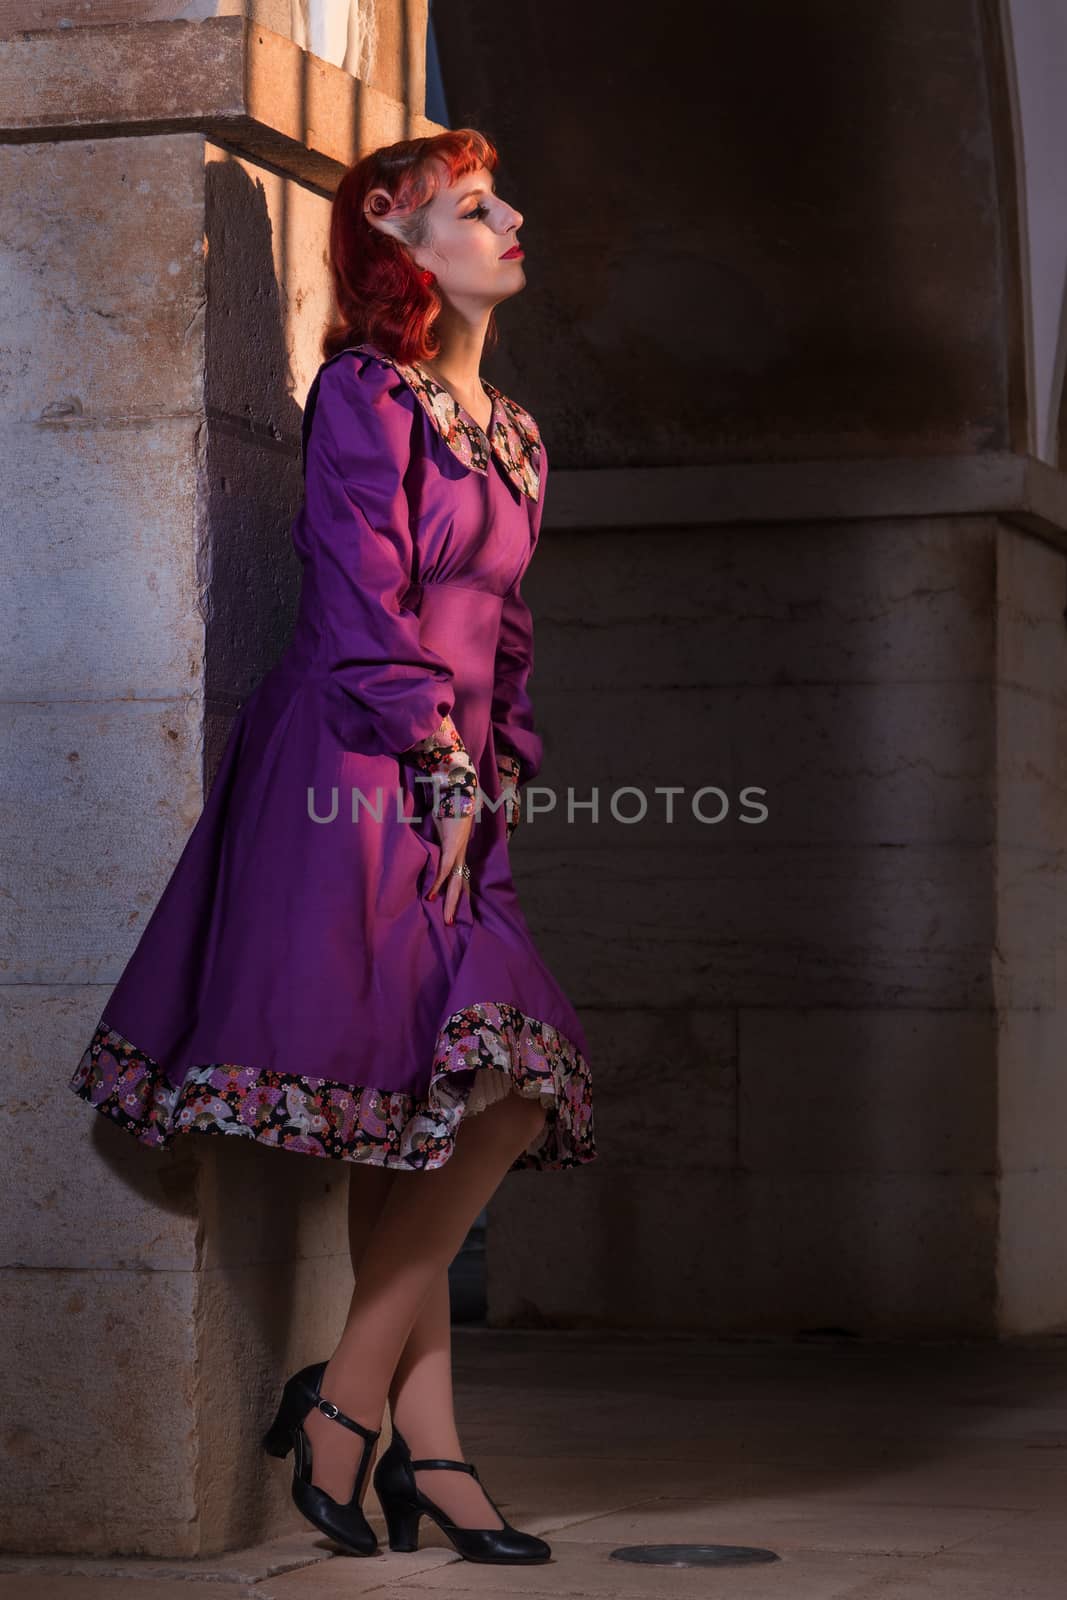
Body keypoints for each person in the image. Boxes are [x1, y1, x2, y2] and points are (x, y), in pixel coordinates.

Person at [68, 127, 597, 1563]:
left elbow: (511, 635)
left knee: (467, 1096)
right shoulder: (367, 397)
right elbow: (364, 595)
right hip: (358, 769)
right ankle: (383, 1426)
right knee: (481, 1088)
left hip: (457, 797)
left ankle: (376, 1419)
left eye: (504, 196)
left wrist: (492, 779)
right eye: (479, 207)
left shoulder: (521, 436)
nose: (514, 216)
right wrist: (433, 768)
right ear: (402, 242)